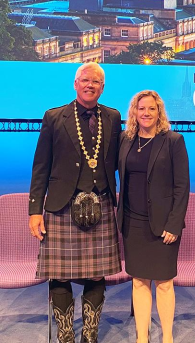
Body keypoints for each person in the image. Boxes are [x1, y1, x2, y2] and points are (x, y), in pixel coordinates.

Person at [29, 62, 122, 343]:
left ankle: (90, 333)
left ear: (102, 87)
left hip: (101, 202)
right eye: (85, 80)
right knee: (59, 274)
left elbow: (119, 161)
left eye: (96, 82)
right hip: (61, 206)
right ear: (75, 83)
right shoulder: (54, 117)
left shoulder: (113, 117)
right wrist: (35, 210)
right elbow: (40, 167)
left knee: (97, 274)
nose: (90, 85)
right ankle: (66, 333)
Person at [117, 90, 190, 343]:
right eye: (141, 108)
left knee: (164, 283)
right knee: (139, 281)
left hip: (163, 225)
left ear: (159, 112)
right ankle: (142, 337)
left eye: (151, 108)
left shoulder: (173, 140)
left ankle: (167, 337)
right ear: (134, 112)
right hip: (132, 223)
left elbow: (182, 186)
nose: (146, 113)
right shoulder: (125, 140)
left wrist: (174, 224)